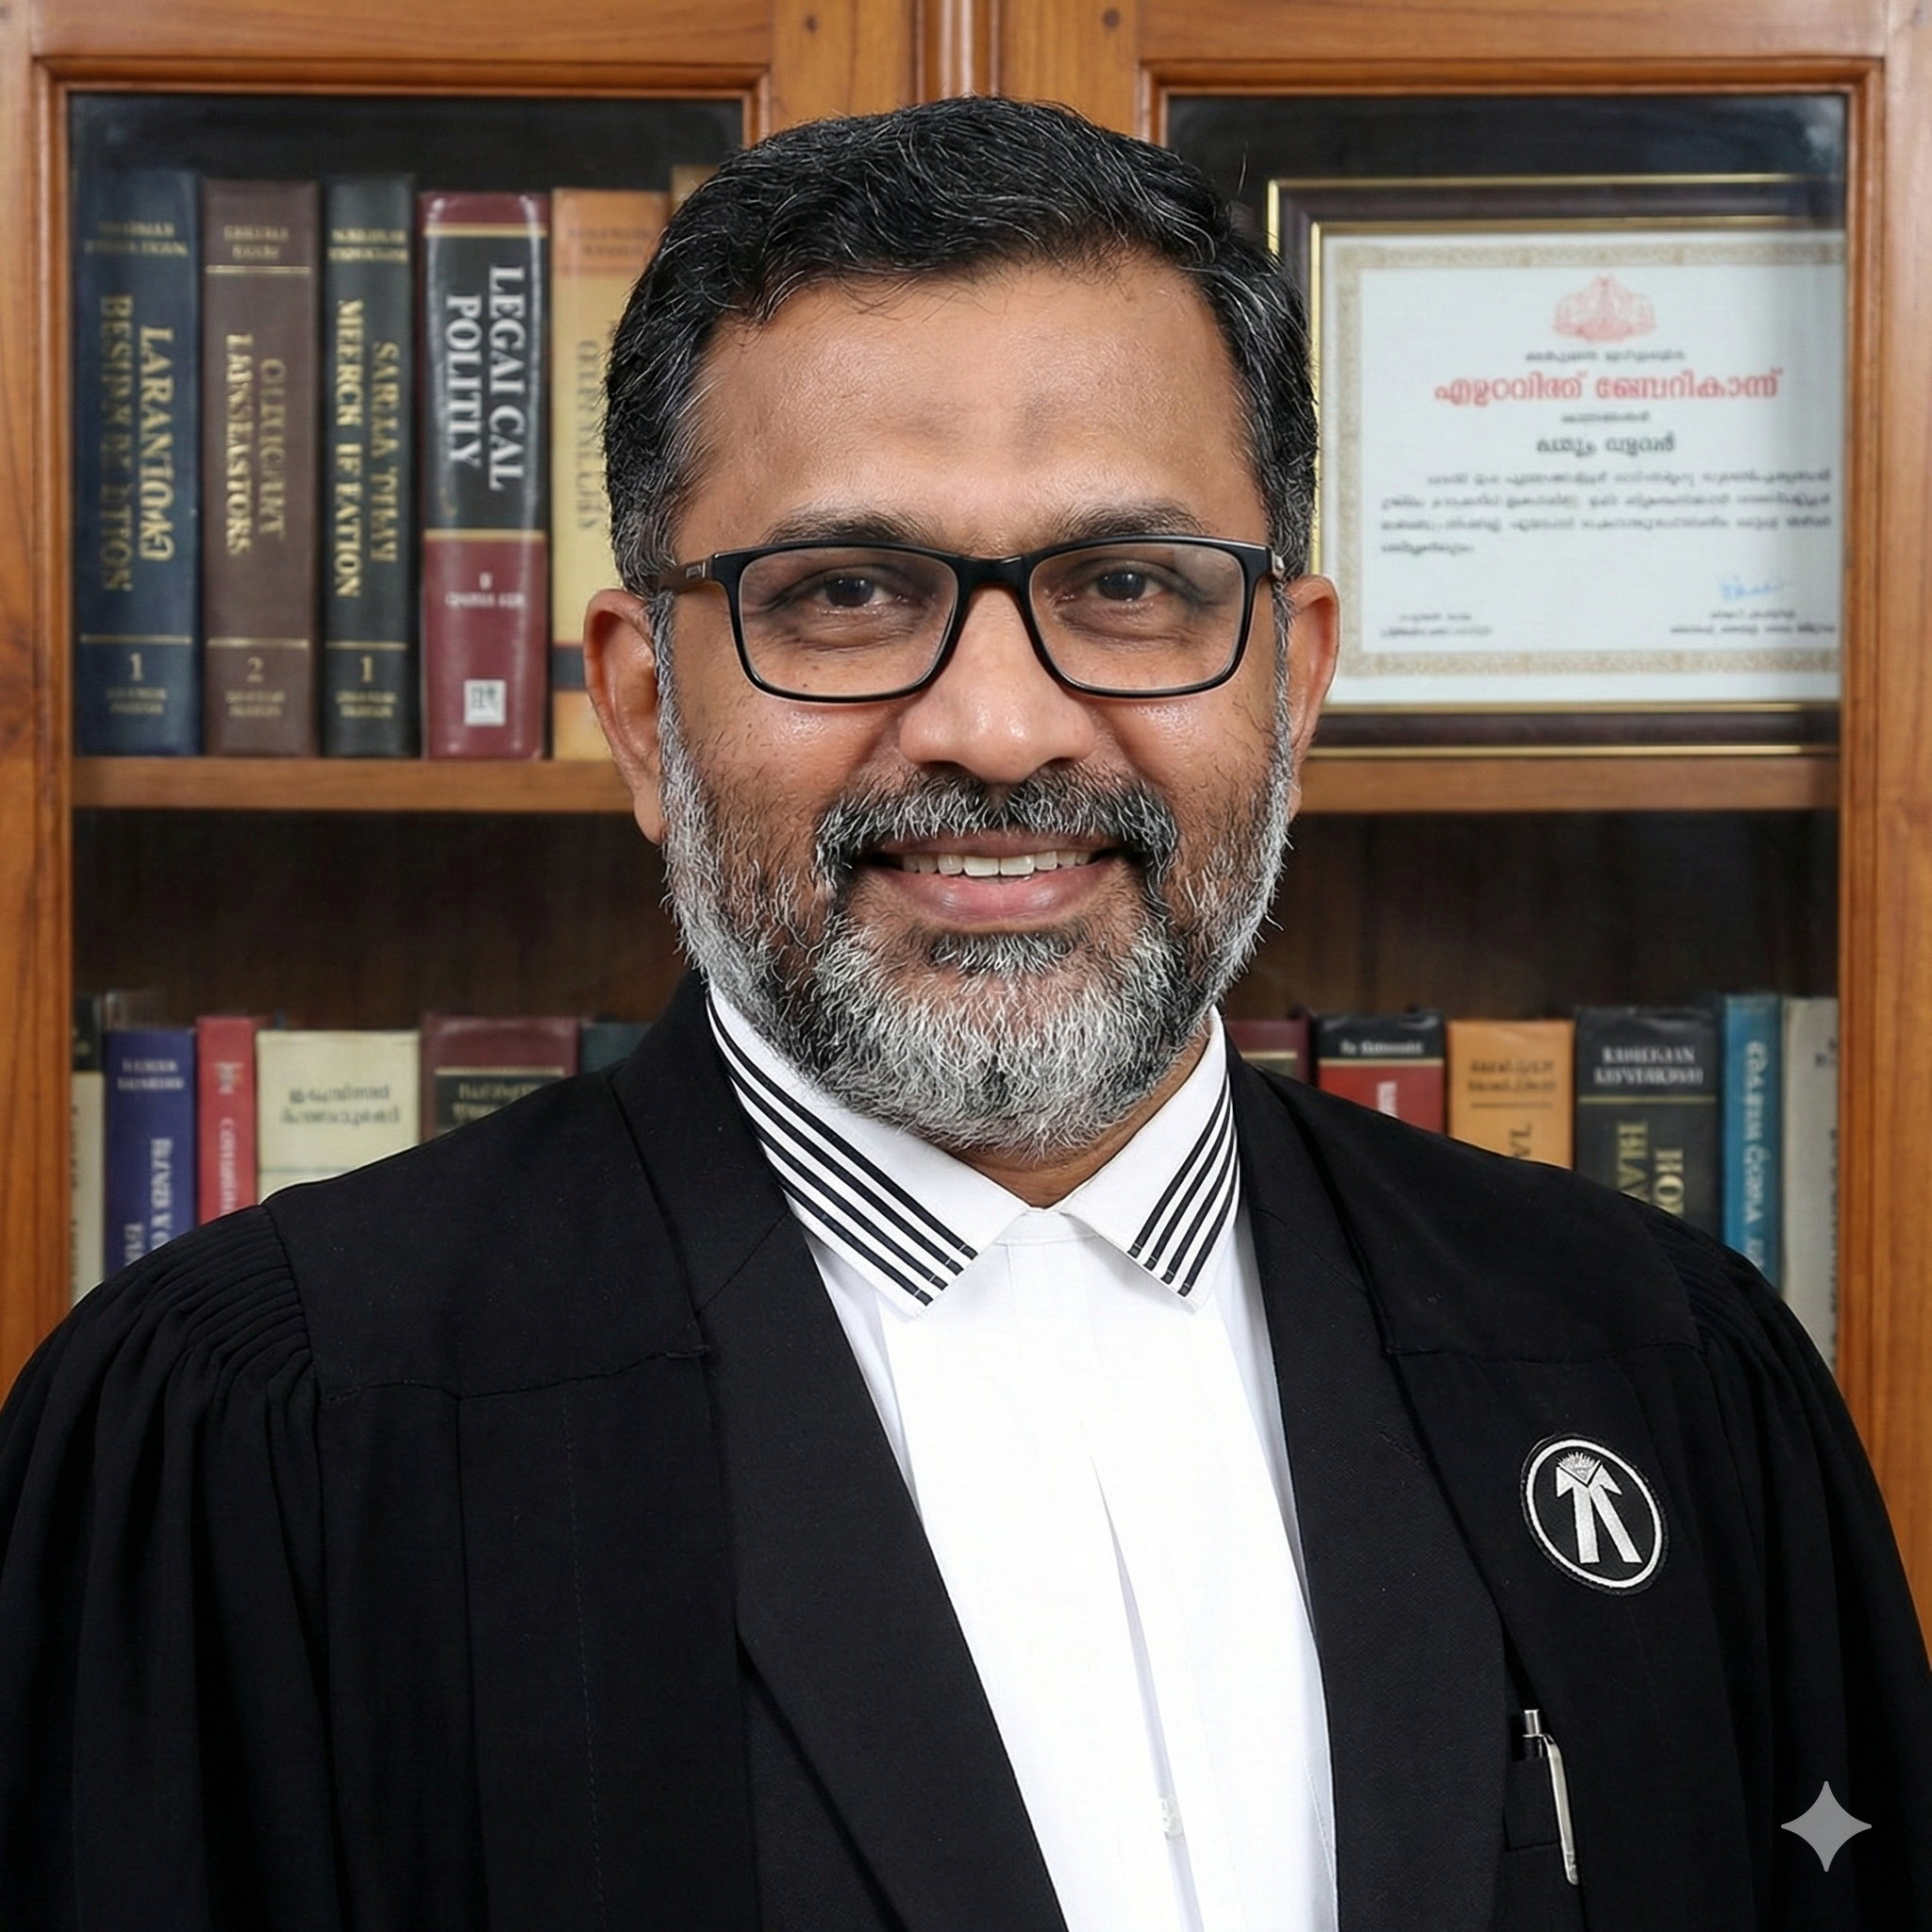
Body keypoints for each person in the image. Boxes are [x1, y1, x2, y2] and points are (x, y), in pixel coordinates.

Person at [2, 96, 1928, 1932]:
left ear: (1294, 680)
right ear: (646, 710)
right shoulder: (262, 1431)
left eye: (1129, 584)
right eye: (844, 591)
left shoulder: (1652, 1369)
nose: (998, 729)